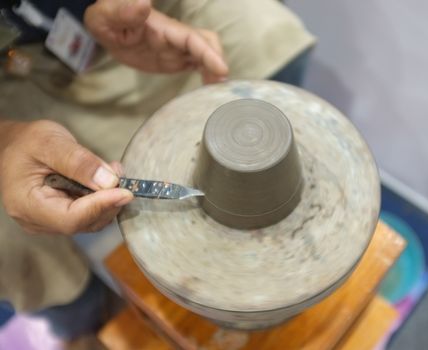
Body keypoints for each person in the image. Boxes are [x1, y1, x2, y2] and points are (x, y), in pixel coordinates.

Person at [0, 0, 315, 341]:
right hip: (13, 75)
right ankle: (90, 321)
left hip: (106, 24)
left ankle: (276, 203)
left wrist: (98, 7)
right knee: (9, 245)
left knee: (264, 33)